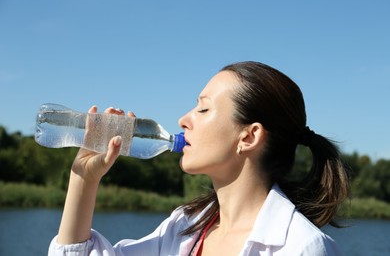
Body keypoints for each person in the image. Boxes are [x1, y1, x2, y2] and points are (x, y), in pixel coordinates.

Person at [48, 61, 350, 256]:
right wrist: (83, 179)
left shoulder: (302, 248)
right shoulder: (185, 227)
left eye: (203, 109)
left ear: (249, 136)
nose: (183, 119)